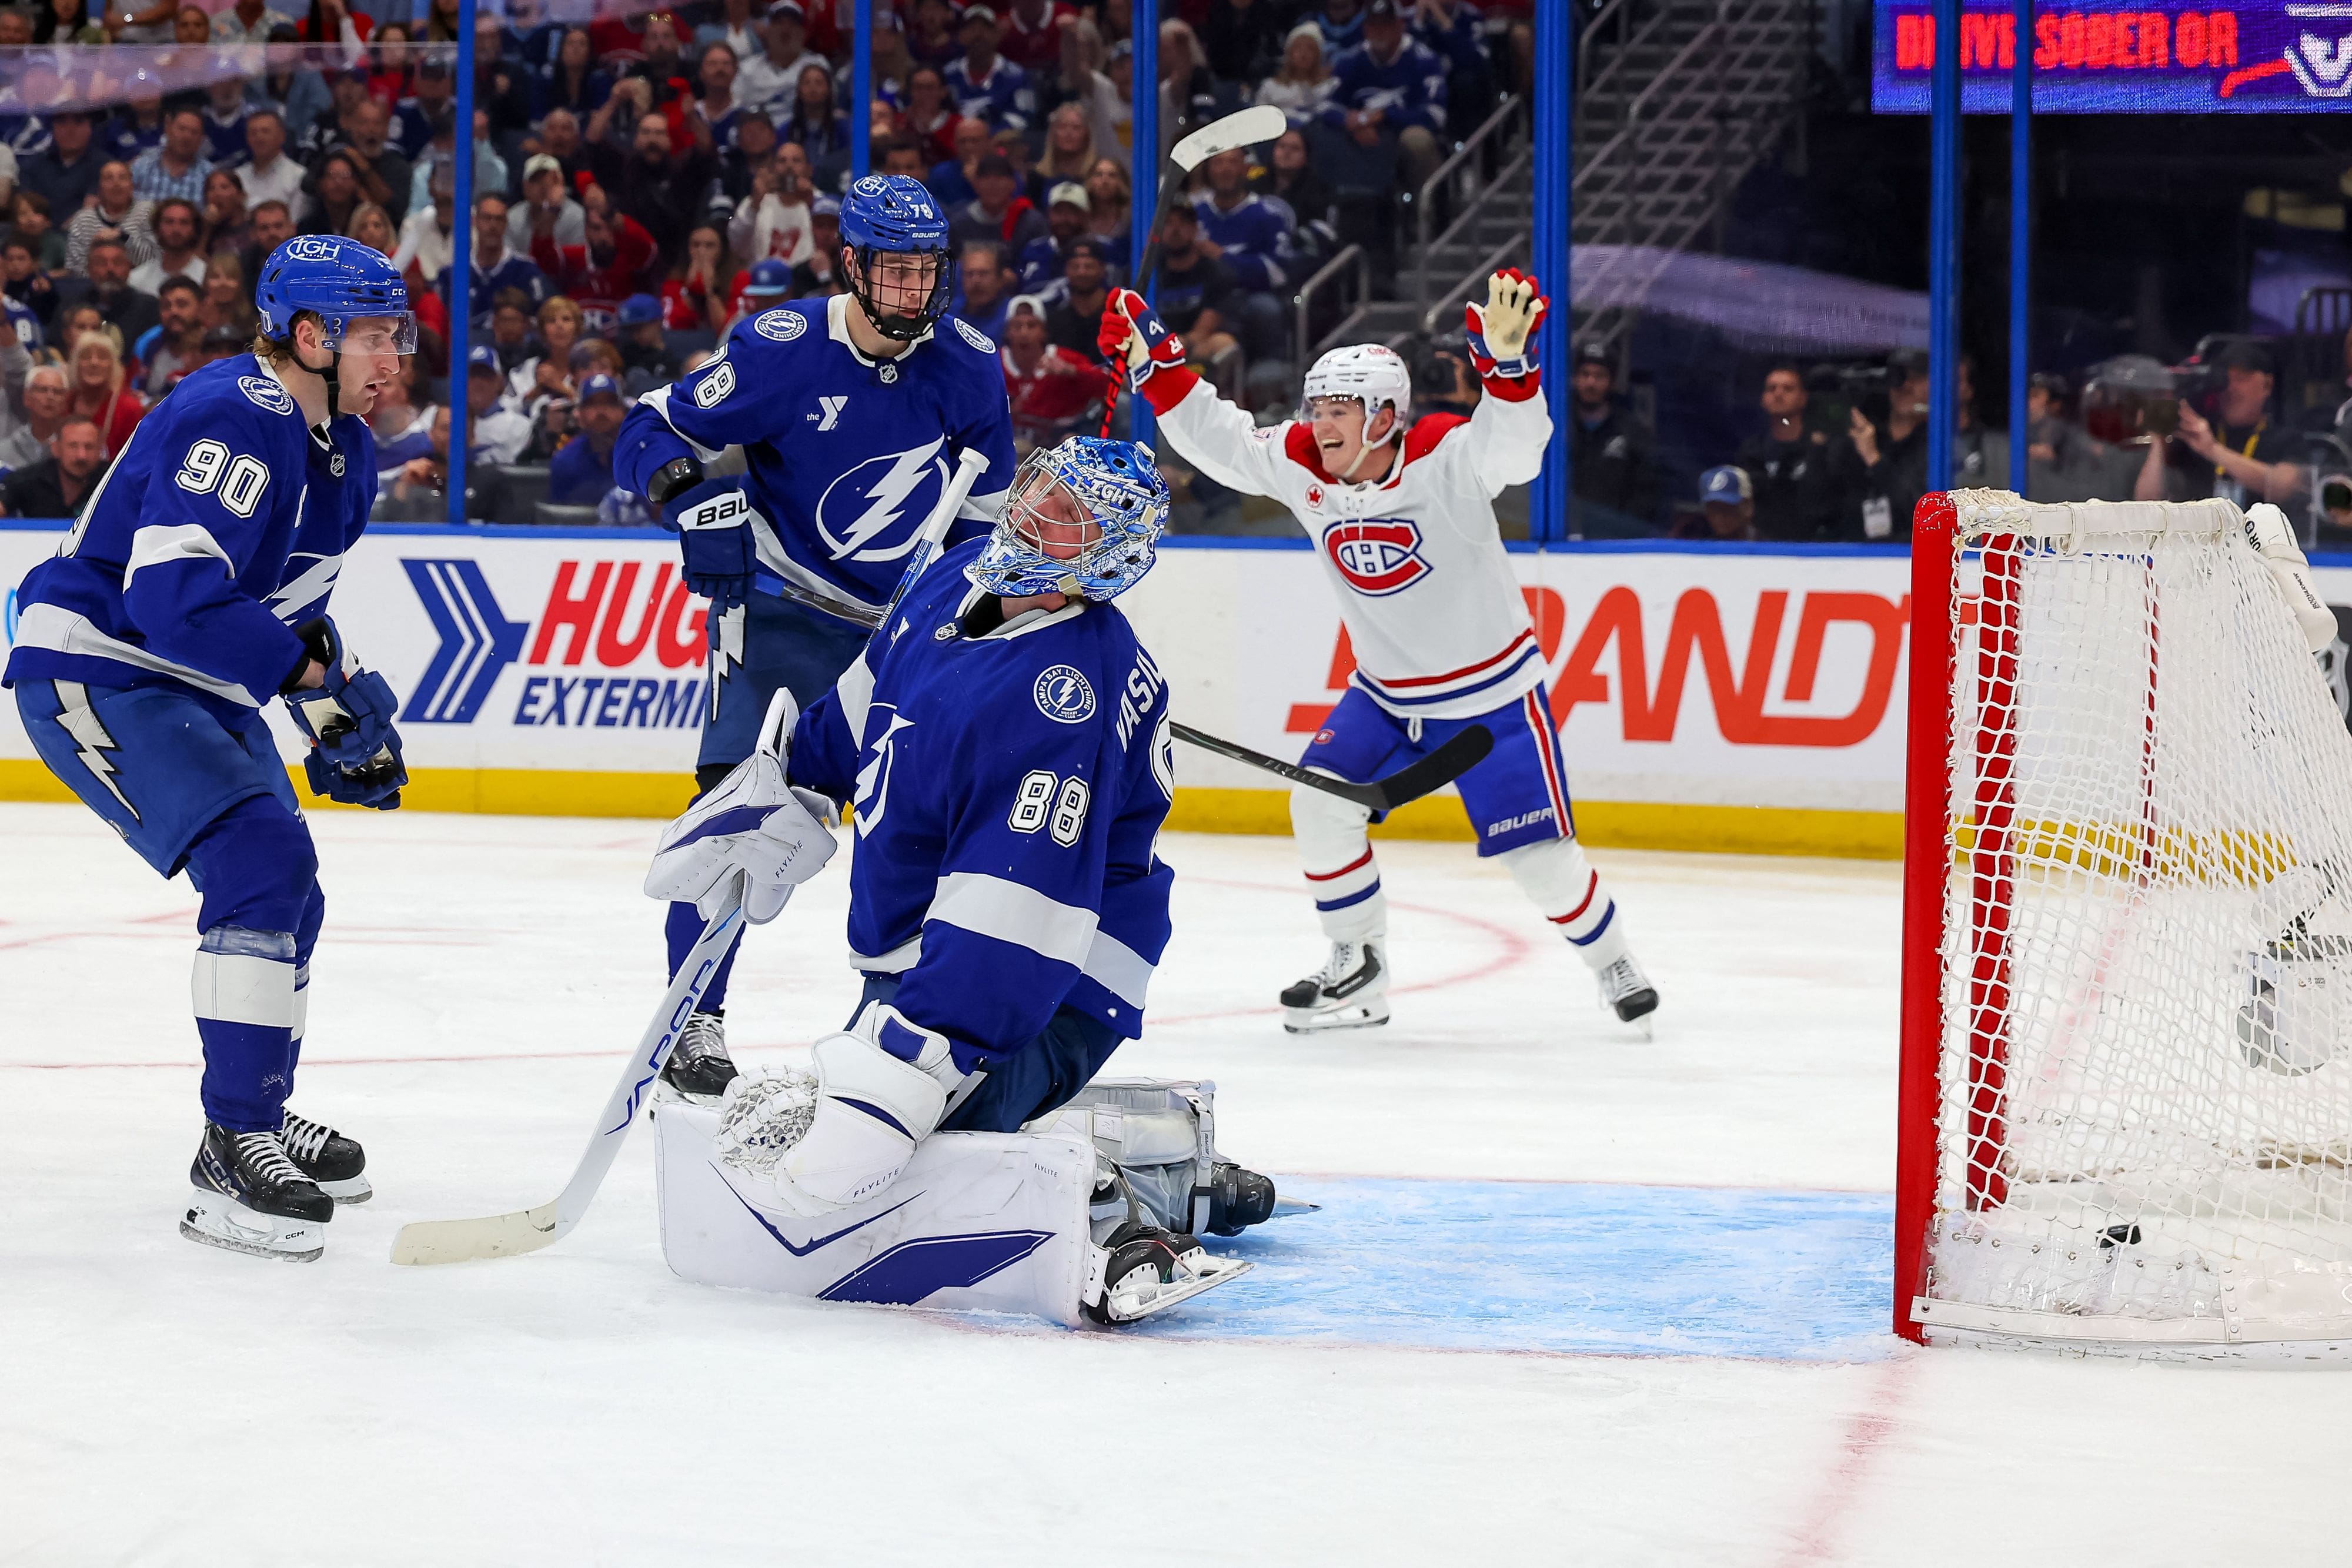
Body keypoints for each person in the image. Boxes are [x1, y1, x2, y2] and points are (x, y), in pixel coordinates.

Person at [645, 434, 1268, 1322]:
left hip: (1054, 983)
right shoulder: (963, 571)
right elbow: (869, 696)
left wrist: (921, 1053)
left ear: (1099, 567)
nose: (1034, 513)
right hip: (935, 948)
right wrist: (791, 783)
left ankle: (1135, 1197)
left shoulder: (1066, 695)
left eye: (1068, 517)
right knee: (876, 1138)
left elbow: (1021, 913)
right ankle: (1076, 1127)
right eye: (1042, 490)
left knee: (912, 1147)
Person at [1102, 268, 1661, 1030]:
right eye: (1316, 407)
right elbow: (1223, 441)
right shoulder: (1305, 464)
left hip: (1492, 700)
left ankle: (1612, 960)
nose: (1321, 423)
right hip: (1388, 697)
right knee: (1317, 801)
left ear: (1387, 416)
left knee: (1540, 859)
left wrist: (1509, 372)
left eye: (1340, 410)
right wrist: (1156, 367)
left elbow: (1518, 451)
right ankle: (1357, 965)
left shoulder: (1445, 459)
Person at [4, 236, 412, 1261]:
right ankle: (232, 1146)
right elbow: (172, 596)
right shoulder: (237, 411)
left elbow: (283, 615)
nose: (395, 355)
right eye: (373, 335)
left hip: (189, 676)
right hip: (101, 667)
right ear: (309, 338)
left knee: (293, 888)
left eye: (398, 333)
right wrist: (316, 686)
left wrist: (336, 712)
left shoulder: (345, 449)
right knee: (260, 866)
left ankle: (257, 1113)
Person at [613, 173, 1018, 1102]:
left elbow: (985, 519)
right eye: (896, 272)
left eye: (928, 273)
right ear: (853, 263)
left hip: (897, 634)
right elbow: (650, 424)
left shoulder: (968, 365)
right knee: (733, 814)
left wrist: (969, 615)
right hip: (781, 610)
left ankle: (906, 1016)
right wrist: (690, 496)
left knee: (918, 823)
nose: (915, 292)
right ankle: (693, 1014)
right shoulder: (782, 348)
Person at [2134, 339, 2303, 509]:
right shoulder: (2196, 433)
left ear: (2267, 385)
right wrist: (2158, 434)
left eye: (2241, 378)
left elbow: (2284, 488)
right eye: (2224, 380)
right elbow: (2147, 504)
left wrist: (2212, 450)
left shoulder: (2288, 439)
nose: (2231, 388)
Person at [1321, 0, 1446, 195]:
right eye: (1373, 25)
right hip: (1360, 133)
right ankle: (1338, 208)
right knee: (1320, 133)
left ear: (1400, 26)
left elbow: (1436, 114)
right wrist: (1351, 121)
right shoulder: (1351, 59)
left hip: (1402, 132)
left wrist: (1385, 116)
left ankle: (1429, 213)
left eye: (1386, 25)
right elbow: (1324, 104)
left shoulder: (1423, 60)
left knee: (1417, 141)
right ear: (1365, 29)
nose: (1379, 31)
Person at [1733, 364, 1843, 543]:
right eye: (1772, 389)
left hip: (1817, 548)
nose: (1778, 394)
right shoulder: (1752, 452)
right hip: (1764, 549)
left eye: (1788, 389)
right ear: (1763, 399)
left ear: (1803, 398)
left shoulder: (1823, 446)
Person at [1564, 342, 1653, 537]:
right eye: (1585, 374)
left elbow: (1646, 493)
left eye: (1599, 376)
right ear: (1574, 379)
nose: (1591, 382)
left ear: (1612, 382)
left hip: (1613, 540)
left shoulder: (1632, 432)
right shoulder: (1557, 426)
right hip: (1564, 535)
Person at [1000, 292, 1107, 451]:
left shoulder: (1065, 359)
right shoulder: (995, 362)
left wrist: (1072, 371)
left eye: (1031, 326)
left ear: (1044, 332)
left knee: (1073, 443)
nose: (1024, 333)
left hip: (1060, 442)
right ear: (1008, 332)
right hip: (1010, 442)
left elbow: (1108, 384)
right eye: (1017, 326)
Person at [0, 410, 103, 517]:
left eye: (89, 447)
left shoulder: (113, 480)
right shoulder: (28, 479)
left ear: (100, 449)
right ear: (55, 449)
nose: (82, 456)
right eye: (73, 446)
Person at [549, 370, 626, 503]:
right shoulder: (564, 461)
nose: (601, 411)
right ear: (580, 413)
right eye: (592, 404)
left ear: (622, 411)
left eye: (609, 403)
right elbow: (557, 520)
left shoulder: (641, 457)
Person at [463, 342, 531, 464]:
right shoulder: (445, 418)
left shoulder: (519, 425)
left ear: (499, 381)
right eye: (473, 375)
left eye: (485, 376)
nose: (478, 382)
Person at [1671, 465, 1757, 541]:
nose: (1720, 517)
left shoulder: (1766, 546)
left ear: (1747, 506)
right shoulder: (1696, 541)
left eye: (1727, 508)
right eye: (1713, 509)